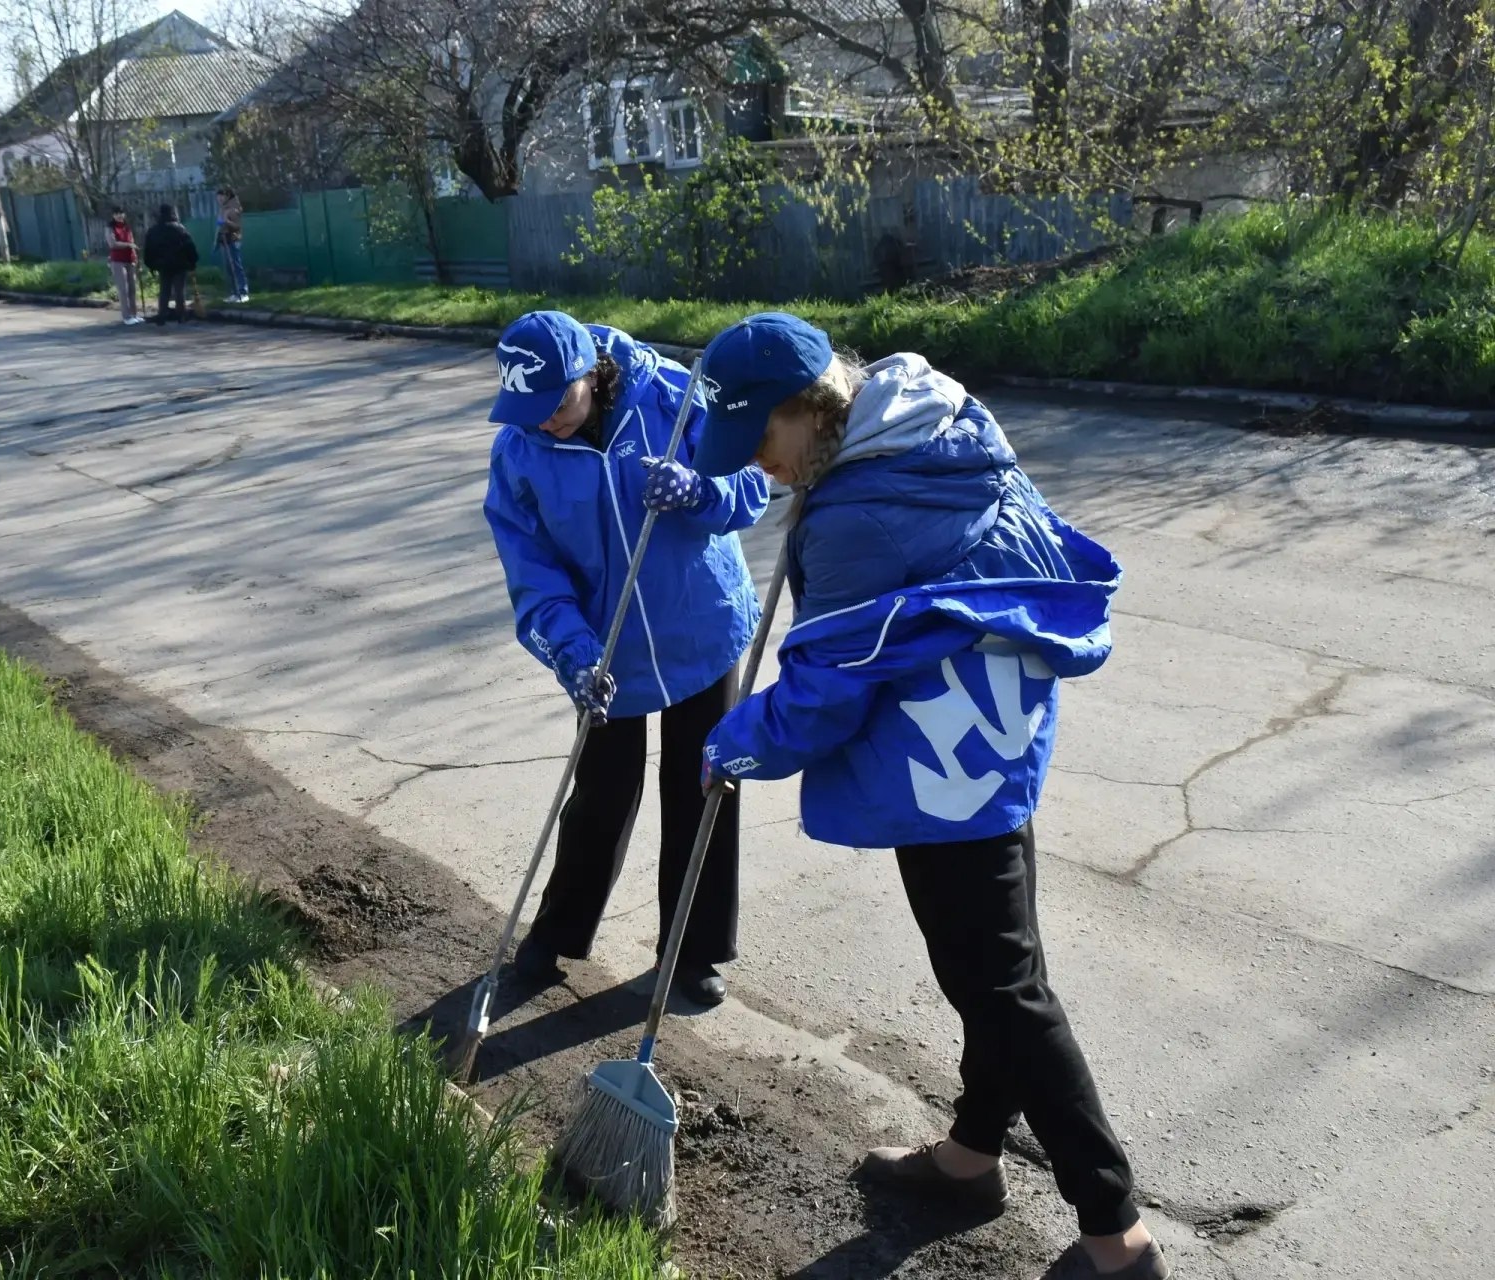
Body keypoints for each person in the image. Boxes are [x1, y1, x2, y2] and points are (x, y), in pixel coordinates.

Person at [690, 314, 1161, 1280]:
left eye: (762, 444)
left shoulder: (858, 509)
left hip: (937, 768)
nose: (763, 468)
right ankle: (971, 1157)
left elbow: (828, 691)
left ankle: (1118, 1238)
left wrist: (736, 741)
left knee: (1003, 990)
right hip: (995, 741)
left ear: (808, 409)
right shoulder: (932, 424)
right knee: (994, 975)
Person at [483, 311, 771, 1005]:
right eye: (528, 409)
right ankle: (556, 934)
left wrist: (701, 492)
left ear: (591, 374)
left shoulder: (672, 397)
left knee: (701, 788)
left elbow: (752, 487)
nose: (545, 421)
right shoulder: (519, 454)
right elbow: (535, 576)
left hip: (699, 629)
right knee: (601, 794)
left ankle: (692, 950)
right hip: (605, 648)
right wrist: (574, 655)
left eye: (557, 403)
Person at [142, 203, 198, 326]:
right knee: (179, 290)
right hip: (179, 264)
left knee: (164, 290)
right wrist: (193, 262)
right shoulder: (180, 229)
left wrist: (151, 265)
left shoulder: (153, 231)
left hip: (163, 265)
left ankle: (162, 316)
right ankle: (181, 316)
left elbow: (148, 250)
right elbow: (190, 246)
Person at [105, 206, 142, 326]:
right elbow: (113, 243)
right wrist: (129, 245)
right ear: (113, 216)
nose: (119, 216)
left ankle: (134, 314)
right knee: (123, 289)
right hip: (117, 261)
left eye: (121, 213)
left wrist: (135, 258)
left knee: (132, 288)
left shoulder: (127, 227)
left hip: (130, 260)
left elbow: (133, 243)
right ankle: (126, 317)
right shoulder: (110, 228)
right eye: (116, 214)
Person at [216, 187, 249, 303]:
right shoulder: (223, 208)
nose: (219, 198)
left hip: (233, 240)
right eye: (218, 196)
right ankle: (234, 293)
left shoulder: (233, 208)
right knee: (229, 268)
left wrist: (227, 222)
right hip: (225, 240)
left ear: (227, 196)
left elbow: (237, 226)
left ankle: (243, 292)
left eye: (221, 196)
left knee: (236, 266)